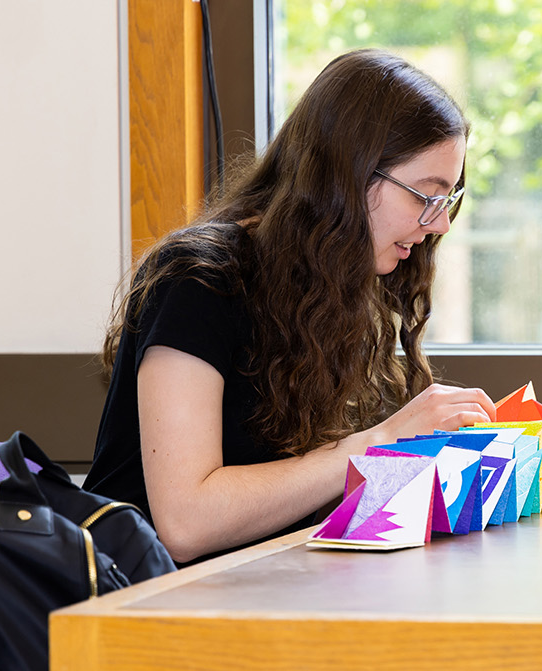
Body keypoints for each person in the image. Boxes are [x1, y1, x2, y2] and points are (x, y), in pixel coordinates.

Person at [86, 48, 496, 564]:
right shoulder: (198, 279)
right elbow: (185, 523)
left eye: (447, 201)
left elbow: (301, 494)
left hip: (256, 583)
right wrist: (383, 441)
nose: (439, 224)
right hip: (143, 601)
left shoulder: (328, 287)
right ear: (348, 173)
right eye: (425, 196)